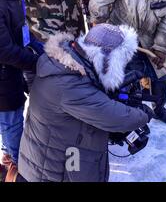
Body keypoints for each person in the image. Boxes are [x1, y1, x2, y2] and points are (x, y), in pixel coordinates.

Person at [17, 24, 153, 182]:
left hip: (55, 156)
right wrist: (144, 113)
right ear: (105, 59)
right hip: (51, 173)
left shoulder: (64, 60)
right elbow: (119, 118)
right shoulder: (70, 86)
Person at [0, 0, 40, 182]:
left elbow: (20, 29)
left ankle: (8, 159)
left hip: (10, 71)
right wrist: (37, 63)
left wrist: (40, 47)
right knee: (11, 122)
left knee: (11, 121)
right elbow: (4, 49)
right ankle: (18, 169)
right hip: (2, 79)